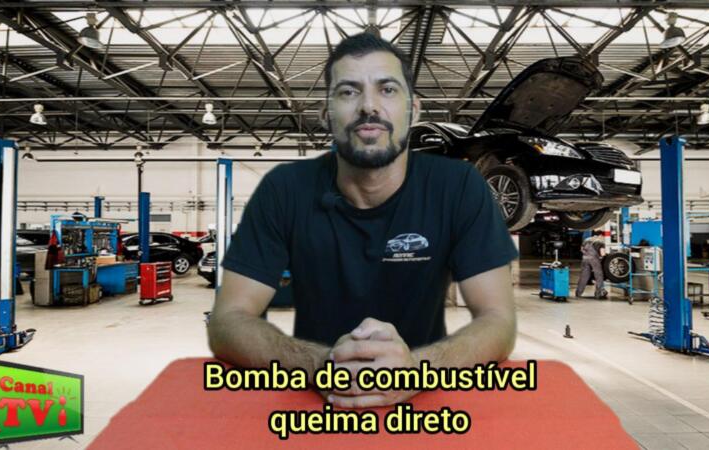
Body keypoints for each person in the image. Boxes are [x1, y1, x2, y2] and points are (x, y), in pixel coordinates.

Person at [207, 32, 518, 408]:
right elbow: (227, 321)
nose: (369, 106)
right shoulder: (284, 190)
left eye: (387, 89)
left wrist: (419, 370)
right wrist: (319, 364)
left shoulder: (459, 187)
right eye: (348, 91)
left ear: (414, 110)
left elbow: (499, 321)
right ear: (326, 114)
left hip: (428, 406)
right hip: (311, 407)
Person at [575, 232, 608, 299]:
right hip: (594, 260)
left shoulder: (586, 239)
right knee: (599, 276)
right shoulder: (600, 242)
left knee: (584, 276)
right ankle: (598, 293)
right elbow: (602, 253)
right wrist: (605, 256)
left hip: (584, 258)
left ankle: (578, 293)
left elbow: (581, 249)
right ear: (600, 235)